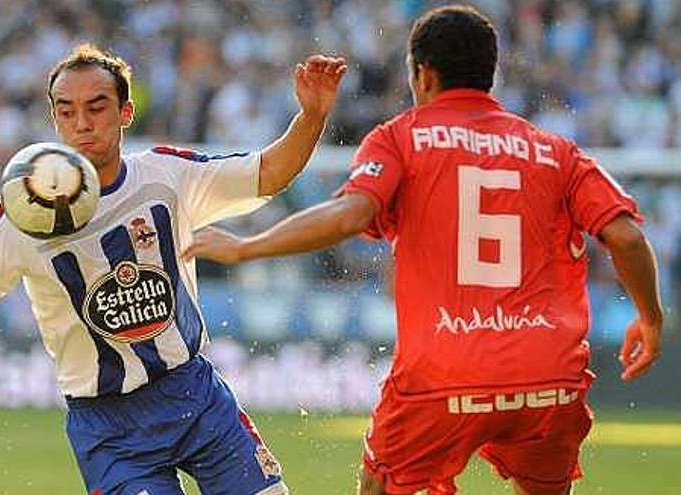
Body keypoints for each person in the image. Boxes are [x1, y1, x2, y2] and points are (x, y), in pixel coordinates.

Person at [0, 43, 347, 495]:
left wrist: (312, 116)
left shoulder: (164, 176)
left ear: (124, 113)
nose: (81, 123)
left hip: (194, 393)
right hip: (109, 425)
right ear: (53, 118)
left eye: (96, 107)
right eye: (66, 110)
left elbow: (271, 172)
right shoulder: (22, 211)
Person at [182, 5, 663, 495]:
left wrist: (248, 247)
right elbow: (625, 236)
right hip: (547, 373)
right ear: (489, 73)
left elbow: (350, 216)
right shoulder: (556, 150)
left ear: (423, 73)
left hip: (443, 372)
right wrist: (651, 319)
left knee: (379, 487)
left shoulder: (401, 138)